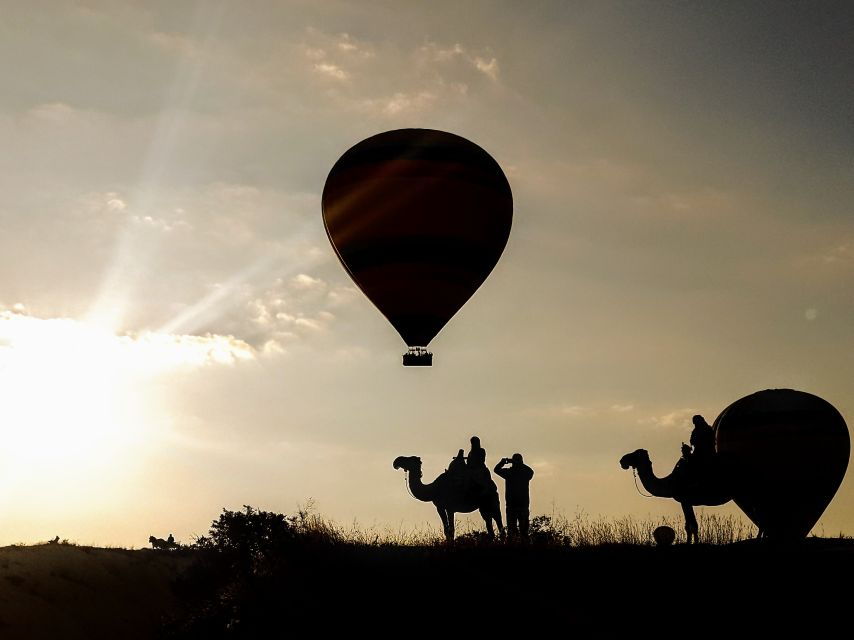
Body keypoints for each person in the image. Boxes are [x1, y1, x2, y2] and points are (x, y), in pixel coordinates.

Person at [494, 453, 534, 539]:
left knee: (514, 532)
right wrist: (519, 463)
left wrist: (502, 463)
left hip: (514, 506)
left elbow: (496, 469)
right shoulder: (524, 473)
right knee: (522, 532)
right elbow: (531, 472)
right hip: (520, 505)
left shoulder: (509, 472)